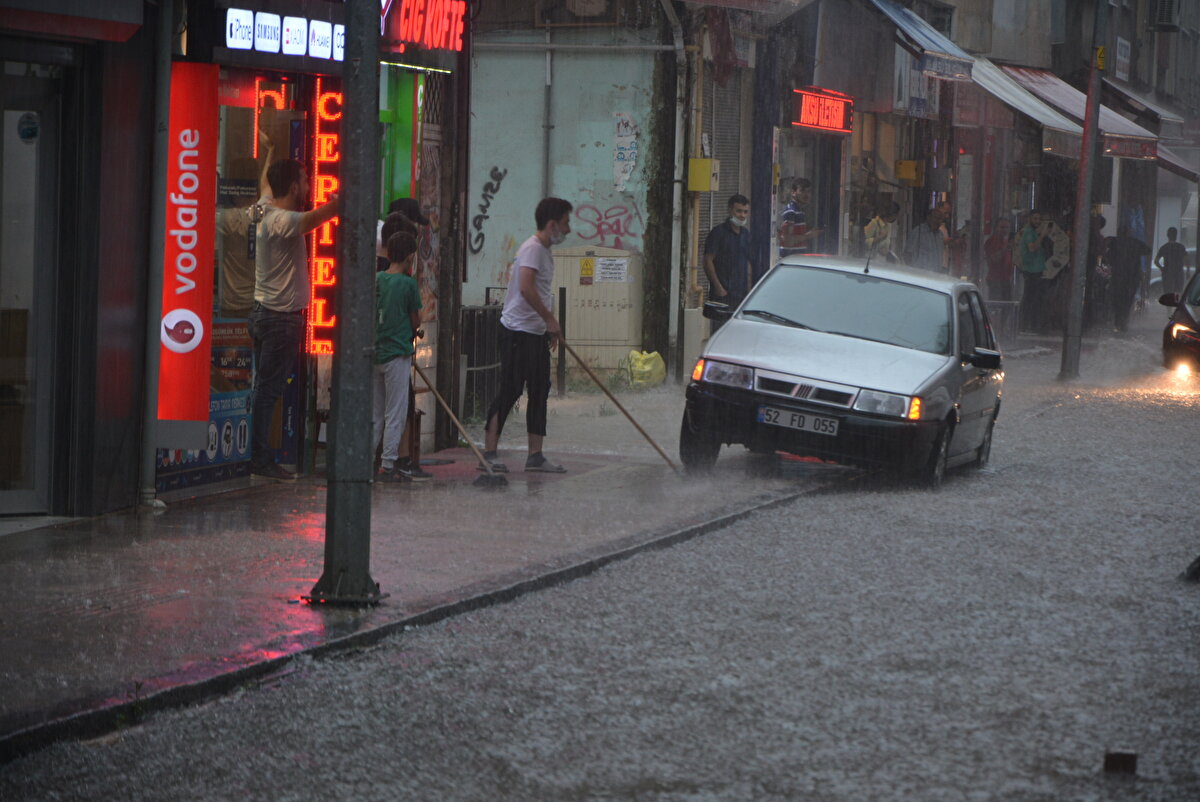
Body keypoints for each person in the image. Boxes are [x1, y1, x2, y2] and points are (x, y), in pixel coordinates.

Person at [248, 159, 340, 480]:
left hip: (267, 315)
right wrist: (340, 204)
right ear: (292, 187)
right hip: (280, 319)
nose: (308, 186)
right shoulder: (279, 220)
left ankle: (260, 455)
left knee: (264, 388)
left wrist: (270, 153)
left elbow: (264, 188)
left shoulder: (263, 208)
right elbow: (310, 220)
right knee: (268, 391)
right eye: (304, 180)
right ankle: (260, 459)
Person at [479, 197, 573, 474]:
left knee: (540, 390)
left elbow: (539, 291)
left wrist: (547, 328)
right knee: (510, 390)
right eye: (566, 223)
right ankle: (489, 452)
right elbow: (526, 288)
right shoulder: (532, 249)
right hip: (517, 332)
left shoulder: (544, 252)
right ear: (553, 224)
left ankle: (535, 455)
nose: (568, 230)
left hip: (535, 333)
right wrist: (550, 318)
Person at [373, 232, 424, 483]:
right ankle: (388, 464)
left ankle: (367, 462)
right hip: (398, 355)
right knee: (395, 411)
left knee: (375, 413)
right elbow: (417, 319)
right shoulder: (408, 284)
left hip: (376, 354)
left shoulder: (377, 279)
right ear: (410, 256)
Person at [704, 194, 754, 330]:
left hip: (741, 295)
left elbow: (748, 263)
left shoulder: (746, 235)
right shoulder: (718, 233)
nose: (742, 215)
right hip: (723, 296)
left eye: (745, 212)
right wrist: (718, 287)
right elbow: (708, 261)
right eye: (738, 211)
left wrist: (749, 291)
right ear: (730, 210)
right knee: (720, 333)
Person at [1106, 225, 1151, 333]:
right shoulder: (1135, 243)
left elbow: (1107, 257)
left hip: (1119, 277)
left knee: (1117, 300)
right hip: (1131, 278)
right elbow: (1147, 250)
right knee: (1127, 300)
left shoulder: (1115, 243)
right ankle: (1123, 322)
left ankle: (1118, 322)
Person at [1017, 210, 1053, 333]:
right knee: (1030, 298)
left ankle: (1028, 325)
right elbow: (1032, 248)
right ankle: (1025, 325)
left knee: (1033, 298)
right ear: (1029, 219)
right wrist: (1042, 236)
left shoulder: (1032, 233)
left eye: (1039, 219)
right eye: (1035, 219)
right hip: (1031, 270)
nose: (1037, 221)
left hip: (1035, 269)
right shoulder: (1029, 233)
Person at [778, 179, 822, 256]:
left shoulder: (799, 212)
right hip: (790, 261)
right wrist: (809, 235)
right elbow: (788, 241)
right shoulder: (791, 212)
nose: (806, 195)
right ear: (793, 193)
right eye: (802, 191)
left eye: (808, 191)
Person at [903, 206, 945, 272]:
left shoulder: (940, 235)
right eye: (936, 218)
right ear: (928, 217)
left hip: (935, 274)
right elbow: (907, 253)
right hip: (920, 274)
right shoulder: (918, 232)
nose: (938, 221)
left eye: (940, 219)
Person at [984, 218, 1015, 300]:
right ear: (996, 228)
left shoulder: (1006, 241)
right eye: (1002, 227)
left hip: (1006, 279)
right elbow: (994, 258)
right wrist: (1005, 248)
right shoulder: (991, 241)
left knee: (1007, 304)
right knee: (996, 305)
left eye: (1007, 227)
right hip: (995, 279)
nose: (1005, 230)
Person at [1155, 226, 1189, 297]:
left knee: (1168, 294)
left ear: (1168, 235)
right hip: (1178, 274)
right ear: (1176, 236)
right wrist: (1188, 271)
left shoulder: (1164, 247)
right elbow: (1187, 260)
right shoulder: (1181, 247)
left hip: (1167, 274)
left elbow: (1156, 261)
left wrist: (1162, 269)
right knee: (1178, 293)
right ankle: (1177, 307)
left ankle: (1169, 308)